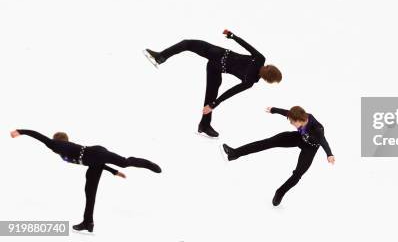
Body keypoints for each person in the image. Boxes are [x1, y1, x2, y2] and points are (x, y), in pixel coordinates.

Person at [10, 129, 162, 233]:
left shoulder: (56, 145)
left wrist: (20, 131)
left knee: (124, 161)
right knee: (90, 192)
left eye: (54, 141)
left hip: (96, 152)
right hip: (93, 161)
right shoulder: (64, 151)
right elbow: (97, 162)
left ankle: (149, 164)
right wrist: (113, 172)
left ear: (57, 140)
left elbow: (39, 136)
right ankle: (88, 223)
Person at [143, 30, 282, 137]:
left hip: (217, 58)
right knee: (210, 98)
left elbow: (246, 46)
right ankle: (160, 57)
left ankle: (204, 125)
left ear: (269, 68)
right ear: (266, 79)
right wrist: (214, 104)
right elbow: (230, 93)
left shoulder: (259, 62)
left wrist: (232, 36)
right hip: (216, 64)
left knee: (187, 44)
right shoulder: (250, 81)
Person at [222, 106, 335, 206]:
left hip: (310, 148)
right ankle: (234, 153)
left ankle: (280, 192)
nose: (291, 123)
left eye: (292, 122)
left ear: (299, 120)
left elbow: (323, 141)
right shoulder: (301, 116)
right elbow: (287, 112)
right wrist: (273, 110)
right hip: (299, 138)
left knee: (298, 174)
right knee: (269, 142)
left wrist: (329, 155)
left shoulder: (317, 128)